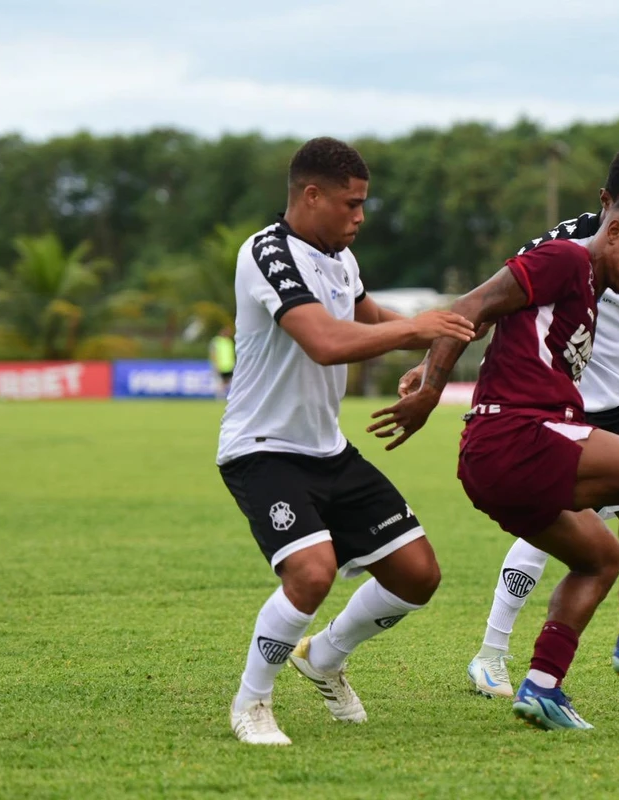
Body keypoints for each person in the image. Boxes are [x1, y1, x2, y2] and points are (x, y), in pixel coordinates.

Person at [371, 196, 619, 731]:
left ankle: (543, 687)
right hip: (513, 434)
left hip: (505, 454)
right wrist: (430, 387)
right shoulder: (566, 260)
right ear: (614, 228)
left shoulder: (592, 291)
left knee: (599, 558)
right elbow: (469, 307)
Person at [216, 136, 474, 746]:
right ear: (312, 195)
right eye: (351, 203)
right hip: (263, 447)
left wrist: (446, 334)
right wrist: (418, 328)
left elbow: (373, 323)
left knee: (417, 575)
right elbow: (326, 341)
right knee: (311, 572)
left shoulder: (340, 257)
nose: (360, 216)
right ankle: (251, 703)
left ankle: (324, 655)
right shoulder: (267, 252)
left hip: (327, 449)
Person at [209, 325, 236, 395]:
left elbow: (232, 353)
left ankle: (225, 394)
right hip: (220, 365)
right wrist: (215, 363)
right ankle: (220, 396)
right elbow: (213, 353)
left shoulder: (229, 342)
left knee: (227, 381)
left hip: (229, 365)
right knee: (220, 381)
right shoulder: (216, 341)